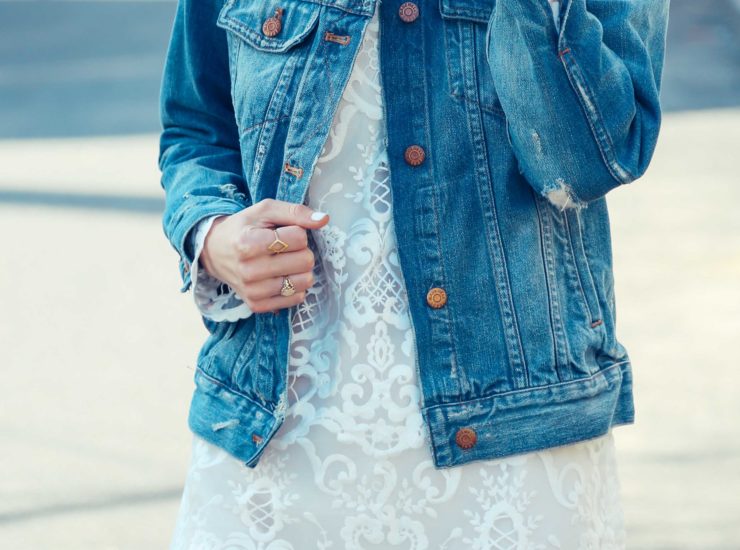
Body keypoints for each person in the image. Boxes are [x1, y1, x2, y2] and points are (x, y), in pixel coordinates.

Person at [158, 0, 669, 547]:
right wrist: (214, 236)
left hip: (511, 448)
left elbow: (590, 161)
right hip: (276, 443)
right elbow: (197, 124)